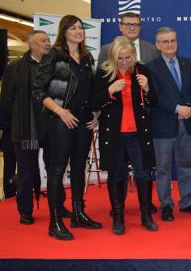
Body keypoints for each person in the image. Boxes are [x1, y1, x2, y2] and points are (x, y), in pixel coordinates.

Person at [33, 15, 102, 240]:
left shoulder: (86, 56)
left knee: (80, 167)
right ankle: (55, 221)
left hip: (83, 120)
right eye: (73, 28)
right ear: (64, 32)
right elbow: (39, 91)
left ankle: (78, 213)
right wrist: (61, 112)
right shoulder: (54, 55)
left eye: (81, 27)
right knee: (57, 169)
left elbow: (91, 91)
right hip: (60, 120)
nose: (78, 31)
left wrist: (96, 113)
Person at [91, 36, 159, 235]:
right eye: (120, 58)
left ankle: (146, 216)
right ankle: (118, 217)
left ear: (134, 55)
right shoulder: (105, 73)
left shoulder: (142, 70)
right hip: (114, 134)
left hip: (138, 133)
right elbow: (92, 102)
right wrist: (110, 90)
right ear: (113, 57)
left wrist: (147, 88)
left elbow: (154, 101)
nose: (124, 62)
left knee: (144, 174)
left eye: (128, 57)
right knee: (116, 174)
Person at [147, 27, 191, 222]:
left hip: (186, 122)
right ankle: (166, 204)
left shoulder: (187, 63)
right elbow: (154, 97)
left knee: (186, 164)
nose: (170, 45)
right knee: (163, 167)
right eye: (165, 41)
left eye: (173, 41)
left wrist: (187, 107)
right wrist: (177, 108)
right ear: (157, 45)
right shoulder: (150, 67)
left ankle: (187, 201)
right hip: (163, 124)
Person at [1, 30, 51, 225]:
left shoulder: (53, 66)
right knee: (26, 171)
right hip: (25, 128)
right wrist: (19, 120)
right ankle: (25, 210)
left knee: (55, 168)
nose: (47, 43)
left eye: (48, 40)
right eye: (42, 41)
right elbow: (6, 101)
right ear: (31, 45)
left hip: (50, 125)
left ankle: (58, 206)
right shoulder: (15, 68)